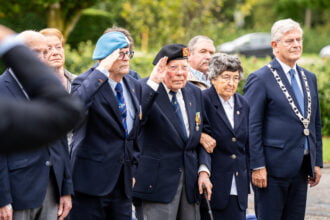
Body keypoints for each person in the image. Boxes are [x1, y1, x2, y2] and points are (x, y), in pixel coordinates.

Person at [69, 31, 162, 220]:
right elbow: (74, 108)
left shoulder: (133, 85)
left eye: (128, 53)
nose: (127, 59)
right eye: (121, 54)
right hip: (91, 184)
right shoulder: (87, 82)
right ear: (105, 56)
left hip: (123, 185)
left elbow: (134, 131)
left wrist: (133, 168)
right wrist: (102, 70)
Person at [243, 18, 323, 220]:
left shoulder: (309, 77)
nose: (296, 44)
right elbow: (252, 125)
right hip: (271, 170)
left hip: (301, 167)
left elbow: (314, 123)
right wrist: (257, 165)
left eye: (298, 40)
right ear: (275, 45)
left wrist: (316, 161)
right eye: (290, 41)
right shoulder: (260, 78)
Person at [0, 29, 82, 220]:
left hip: (51, 189)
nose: (45, 58)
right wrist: (2, 198)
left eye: (46, 52)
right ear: (22, 56)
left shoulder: (45, 88)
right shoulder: (2, 87)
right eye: (37, 52)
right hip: (17, 191)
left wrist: (65, 188)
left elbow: (59, 137)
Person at [133, 44, 213, 220]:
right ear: (160, 69)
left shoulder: (194, 92)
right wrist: (153, 83)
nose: (180, 73)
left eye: (184, 67)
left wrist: (203, 170)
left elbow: (203, 135)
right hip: (157, 186)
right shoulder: (144, 89)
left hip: (191, 186)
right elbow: (135, 124)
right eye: (173, 67)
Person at [200, 53, 249, 220]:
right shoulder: (203, 99)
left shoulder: (243, 104)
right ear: (213, 78)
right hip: (213, 182)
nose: (231, 83)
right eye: (226, 77)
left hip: (239, 183)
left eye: (236, 78)